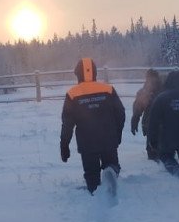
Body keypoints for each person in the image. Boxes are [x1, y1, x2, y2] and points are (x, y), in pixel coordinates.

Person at [60, 58, 126, 194]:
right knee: (112, 164)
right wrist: (117, 133)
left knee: (91, 172)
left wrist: (64, 145)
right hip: (108, 139)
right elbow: (121, 113)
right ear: (95, 73)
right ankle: (111, 171)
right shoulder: (108, 89)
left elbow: (67, 123)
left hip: (87, 143)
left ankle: (94, 191)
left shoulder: (72, 94)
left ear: (78, 74)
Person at [146, 70, 179, 176]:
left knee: (165, 156)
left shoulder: (161, 98)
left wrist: (152, 140)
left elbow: (153, 121)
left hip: (168, 137)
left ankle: (175, 171)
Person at [130, 69, 163, 160]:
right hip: (164, 125)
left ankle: (153, 157)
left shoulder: (144, 92)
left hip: (149, 125)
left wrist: (134, 122)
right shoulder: (165, 90)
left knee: (152, 151)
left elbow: (137, 109)